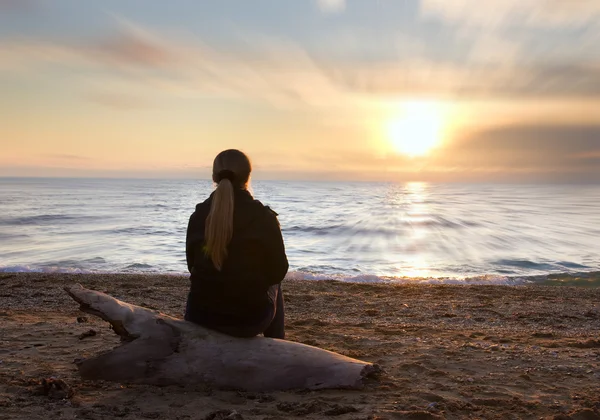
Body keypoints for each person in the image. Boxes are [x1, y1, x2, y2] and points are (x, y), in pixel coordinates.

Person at [185, 149, 288, 339]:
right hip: (248, 321)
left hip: (200, 316)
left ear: (214, 176)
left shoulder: (198, 215)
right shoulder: (264, 217)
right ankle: (276, 342)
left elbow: (192, 265)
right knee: (275, 284)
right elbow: (278, 270)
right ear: (248, 176)